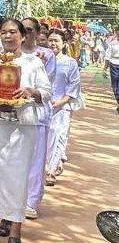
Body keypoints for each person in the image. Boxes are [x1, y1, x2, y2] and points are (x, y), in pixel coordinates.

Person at [0, 19, 51, 243]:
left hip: (23, 125)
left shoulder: (33, 62)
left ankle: (15, 234)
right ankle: (5, 217)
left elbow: (47, 92)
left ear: (22, 36)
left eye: (13, 32)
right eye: (3, 32)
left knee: (18, 177)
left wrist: (30, 92)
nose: (8, 36)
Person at [20, 18, 55, 220]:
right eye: (21, 29)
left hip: (38, 114)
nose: (25, 33)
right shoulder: (10, 54)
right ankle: (13, 199)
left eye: (29, 29)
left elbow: (46, 87)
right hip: (13, 115)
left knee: (35, 159)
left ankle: (31, 201)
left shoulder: (46, 55)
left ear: (37, 31)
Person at [45, 28, 81, 186]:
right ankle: (48, 165)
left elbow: (74, 87)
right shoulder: (41, 61)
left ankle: (51, 171)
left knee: (59, 137)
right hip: (42, 106)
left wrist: (61, 102)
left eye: (56, 41)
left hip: (62, 107)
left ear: (64, 43)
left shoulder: (70, 63)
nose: (53, 43)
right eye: (50, 40)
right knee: (46, 138)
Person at [105, 26, 119, 114]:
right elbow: (107, 56)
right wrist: (104, 69)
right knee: (115, 85)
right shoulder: (112, 43)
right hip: (114, 64)